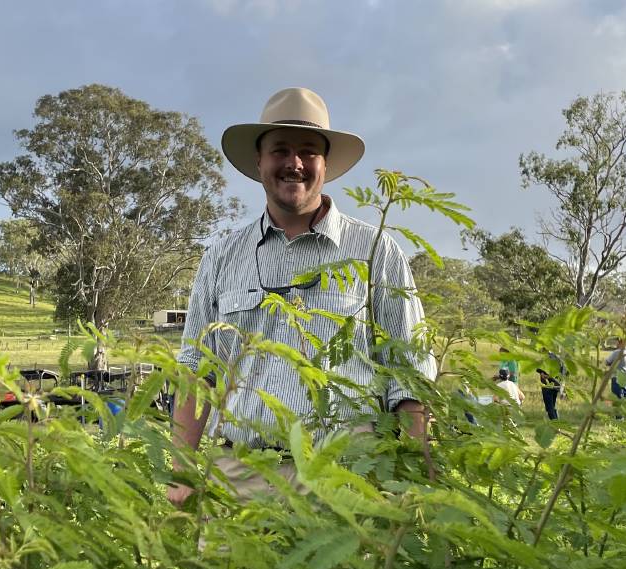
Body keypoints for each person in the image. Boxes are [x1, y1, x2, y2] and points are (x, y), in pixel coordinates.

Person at [168, 87, 436, 506]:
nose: (294, 163)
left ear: (325, 165)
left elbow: (408, 373)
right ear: (259, 161)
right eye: (280, 150)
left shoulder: (376, 250)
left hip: (346, 477)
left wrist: (416, 480)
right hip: (240, 474)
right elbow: (195, 372)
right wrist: (181, 473)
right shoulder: (221, 258)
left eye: (308, 151)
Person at [537, 346, 566, 420]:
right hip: (557, 385)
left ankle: (556, 425)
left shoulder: (548, 358)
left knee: (549, 408)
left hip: (549, 385)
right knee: (552, 407)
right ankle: (557, 424)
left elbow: (547, 374)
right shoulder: (559, 358)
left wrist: (546, 376)